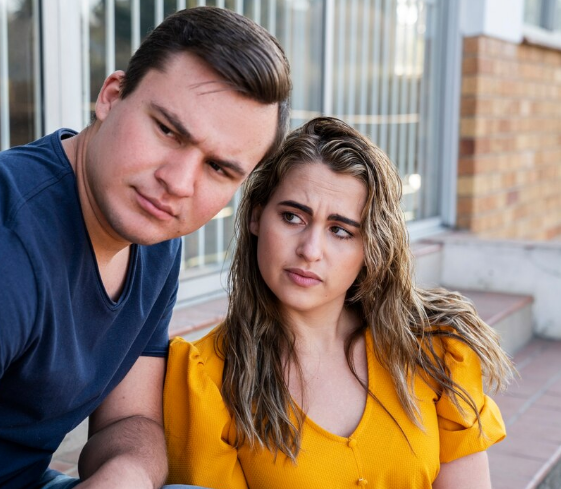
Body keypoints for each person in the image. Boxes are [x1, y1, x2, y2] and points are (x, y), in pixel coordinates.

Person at [0, 7, 290, 489]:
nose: (177, 182)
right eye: (168, 130)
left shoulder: (153, 235)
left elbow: (131, 421)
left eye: (218, 168)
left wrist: (124, 477)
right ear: (111, 96)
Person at [163, 117, 515, 489]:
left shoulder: (433, 349)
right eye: (292, 217)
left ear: (371, 246)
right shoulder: (206, 380)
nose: (310, 250)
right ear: (255, 217)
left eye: (340, 230)